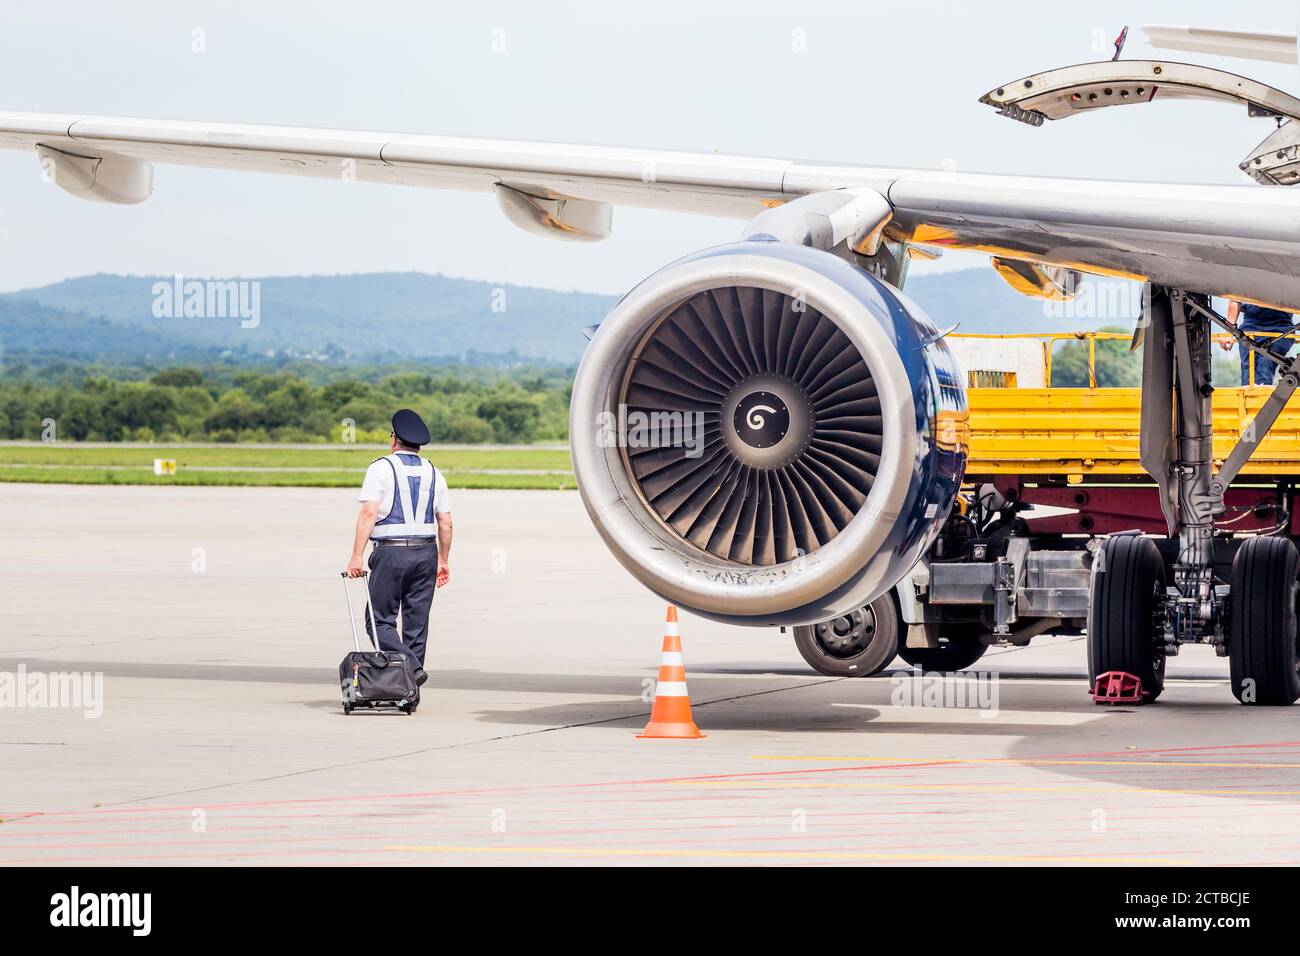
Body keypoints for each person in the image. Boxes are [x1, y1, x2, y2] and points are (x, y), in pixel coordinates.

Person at [345, 409, 452, 687]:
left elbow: (369, 514)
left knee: (378, 621)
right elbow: (446, 522)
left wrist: (356, 557)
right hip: (426, 552)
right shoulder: (434, 472)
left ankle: (412, 667)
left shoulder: (381, 468)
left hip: (391, 553)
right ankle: (410, 689)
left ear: (394, 439)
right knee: (416, 626)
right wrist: (443, 560)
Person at [1223, 299, 1296, 385]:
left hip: (1281, 329)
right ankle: (1250, 395)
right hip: (1250, 328)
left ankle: (1261, 393)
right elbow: (1235, 300)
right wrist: (1229, 332)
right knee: (1248, 373)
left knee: (1265, 366)